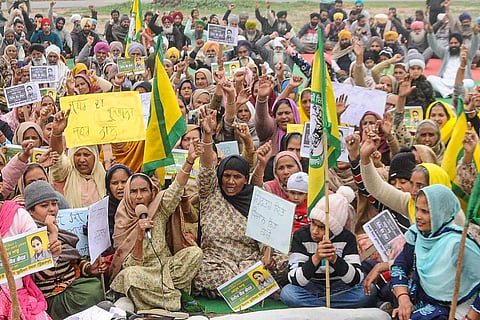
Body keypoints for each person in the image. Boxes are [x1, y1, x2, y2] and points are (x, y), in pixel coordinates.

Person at [109, 140, 203, 312]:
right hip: (142, 273)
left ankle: (152, 300)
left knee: (194, 253)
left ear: (152, 192)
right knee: (129, 277)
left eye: (143, 190)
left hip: (166, 268)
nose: (138, 196)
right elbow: (128, 265)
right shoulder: (123, 217)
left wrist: (189, 161)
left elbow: (176, 187)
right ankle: (175, 298)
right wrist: (138, 235)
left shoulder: (159, 206)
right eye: (134, 191)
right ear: (128, 194)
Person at [391, 185, 480, 320]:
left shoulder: (457, 244)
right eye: (417, 209)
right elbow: (399, 265)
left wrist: (473, 315)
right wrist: (403, 299)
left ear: (442, 213)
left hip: (457, 307)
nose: (418, 216)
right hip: (423, 297)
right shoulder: (418, 234)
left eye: (425, 211)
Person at [280, 186, 377, 308]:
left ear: (333, 229)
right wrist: (316, 258)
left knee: (369, 291)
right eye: (313, 223)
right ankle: (332, 310)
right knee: (288, 293)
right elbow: (294, 279)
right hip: (311, 286)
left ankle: (318, 308)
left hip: (340, 287)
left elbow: (356, 279)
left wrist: (335, 259)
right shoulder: (301, 236)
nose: (314, 231)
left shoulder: (347, 238)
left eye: (321, 227)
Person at [25, 180, 105, 320]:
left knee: (97, 286)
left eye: (54, 204)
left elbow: (73, 260)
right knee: (91, 295)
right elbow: (43, 274)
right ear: (30, 211)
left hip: (73, 285)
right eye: (44, 206)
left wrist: (89, 268)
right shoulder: (30, 237)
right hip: (52, 297)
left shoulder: (60, 229)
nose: (51, 209)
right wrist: (52, 235)